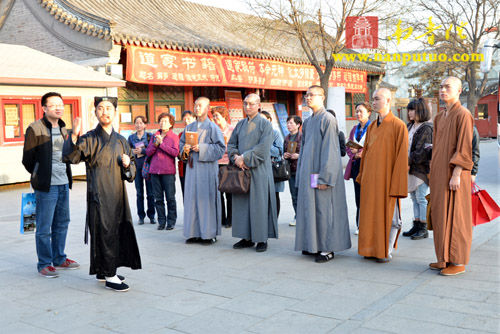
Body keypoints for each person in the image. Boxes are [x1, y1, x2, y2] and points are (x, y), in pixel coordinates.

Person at [63, 97, 141, 292]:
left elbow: (131, 172)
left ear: (114, 112)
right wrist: (73, 136)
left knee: (117, 230)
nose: (104, 111)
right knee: (104, 232)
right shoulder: (89, 138)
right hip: (99, 194)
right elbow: (71, 157)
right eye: (100, 108)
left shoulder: (122, 140)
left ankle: (104, 269)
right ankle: (110, 275)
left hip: (118, 195)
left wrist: (127, 164)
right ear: (95, 113)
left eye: (108, 108)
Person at [22, 92, 80, 278]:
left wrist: (76, 136)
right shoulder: (35, 128)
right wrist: (40, 174)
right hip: (46, 186)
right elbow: (27, 160)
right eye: (54, 104)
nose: (59, 107)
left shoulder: (65, 130)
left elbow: (71, 156)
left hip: (63, 183)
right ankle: (44, 263)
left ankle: (59, 258)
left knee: (62, 222)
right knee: (44, 226)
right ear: (44, 108)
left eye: (61, 104)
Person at [295, 85, 351, 263]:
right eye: (307, 95)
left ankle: (327, 248)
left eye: (312, 95)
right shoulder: (308, 121)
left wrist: (325, 177)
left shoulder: (327, 119)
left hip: (321, 173)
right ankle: (312, 244)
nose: (308, 98)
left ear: (322, 97)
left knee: (324, 210)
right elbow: (303, 149)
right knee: (310, 208)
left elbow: (331, 151)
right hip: (308, 173)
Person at [356, 88, 408, 263]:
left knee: (389, 216)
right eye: (373, 99)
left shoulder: (399, 125)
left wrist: (397, 184)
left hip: (387, 179)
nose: (374, 102)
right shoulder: (371, 126)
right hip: (371, 179)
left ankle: (385, 249)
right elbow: (366, 154)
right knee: (370, 215)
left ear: (388, 101)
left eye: (377, 99)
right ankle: (369, 248)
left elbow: (402, 158)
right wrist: (362, 175)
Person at [429, 77, 474, 276]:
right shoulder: (439, 117)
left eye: (448, 87)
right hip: (438, 174)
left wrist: (457, 173)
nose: (443, 90)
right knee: (440, 215)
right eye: (441, 87)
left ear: (459, 91)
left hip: (454, 175)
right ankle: (443, 258)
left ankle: (458, 261)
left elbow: (465, 147)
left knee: (456, 216)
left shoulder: (463, 114)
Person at [227, 93, 278, 252]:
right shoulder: (240, 124)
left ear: (258, 105)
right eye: (245, 103)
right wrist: (235, 157)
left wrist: (245, 158)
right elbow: (231, 144)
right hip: (242, 170)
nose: (247, 107)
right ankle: (246, 237)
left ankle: (262, 238)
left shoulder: (265, 125)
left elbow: (263, 149)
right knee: (242, 204)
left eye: (251, 104)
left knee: (259, 205)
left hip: (259, 170)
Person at [180, 97, 225, 244]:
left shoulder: (213, 128)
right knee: (191, 200)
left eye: (200, 105)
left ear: (207, 108)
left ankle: (208, 234)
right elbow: (181, 148)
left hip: (207, 169)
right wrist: (185, 150)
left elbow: (220, 149)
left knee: (206, 201)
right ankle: (193, 233)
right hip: (192, 170)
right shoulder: (189, 127)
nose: (197, 108)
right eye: (195, 105)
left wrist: (202, 148)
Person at [402, 99, 433, 240]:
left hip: (421, 168)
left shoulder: (427, 127)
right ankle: (416, 223)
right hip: (409, 167)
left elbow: (422, 151)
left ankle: (423, 227)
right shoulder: (410, 126)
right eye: (409, 110)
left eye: (412, 110)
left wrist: (408, 161)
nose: (409, 113)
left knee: (421, 197)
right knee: (414, 197)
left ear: (421, 111)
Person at [146, 112, 179, 231]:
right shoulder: (155, 135)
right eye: (160, 121)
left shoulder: (174, 137)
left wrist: (162, 144)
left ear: (171, 124)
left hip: (168, 172)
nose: (162, 123)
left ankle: (171, 221)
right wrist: (155, 144)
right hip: (154, 171)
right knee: (158, 198)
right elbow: (148, 152)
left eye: (165, 121)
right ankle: (161, 221)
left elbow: (175, 153)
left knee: (170, 198)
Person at [344, 102, 371, 235]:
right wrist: (354, 154)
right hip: (356, 165)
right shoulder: (354, 129)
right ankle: (359, 224)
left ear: (369, 113)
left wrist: (362, 153)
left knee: (368, 197)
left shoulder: (372, 127)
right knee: (358, 197)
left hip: (368, 166)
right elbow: (348, 147)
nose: (358, 114)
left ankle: (367, 224)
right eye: (357, 111)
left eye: (361, 111)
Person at [127, 116, 155, 225]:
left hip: (148, 167)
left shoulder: (150, 136)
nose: (138, 125)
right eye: (136, 123)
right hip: (136, 167)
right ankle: (141, 216)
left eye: (141, 123)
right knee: (139, 193)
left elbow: (152, 150)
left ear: (145, 125)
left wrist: (143, 150)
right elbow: (128, 151)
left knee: (151, 193)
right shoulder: (131, 138)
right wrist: (133, 152)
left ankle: (152, 216)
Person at [212, 106, 235, 228]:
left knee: (229, 193)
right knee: (218, 193)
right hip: (216, 163)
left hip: (228, 164)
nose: (215, 118)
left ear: (224, 116)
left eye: (217, 116)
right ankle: (221, 219)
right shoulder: (213, 130)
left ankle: (231, 219)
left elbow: (235, 146)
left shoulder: (232, 129)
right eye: (214, 116)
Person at [261, 110, 285, 219]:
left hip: (273, 169)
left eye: (264, 119)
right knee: (262, 196)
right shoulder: (255, 134)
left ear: (269, 120)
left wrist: (264, 146)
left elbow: (279, 151)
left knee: (274, 195)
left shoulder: (275, 133)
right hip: (260, 169)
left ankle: (274, 219)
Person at [283, 115, 302, 226]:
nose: (288, 125)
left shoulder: (302, 137)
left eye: (291, 123)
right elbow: (283, 151)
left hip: (301, 169)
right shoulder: (286, 138)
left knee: (302, 195)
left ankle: (303, 216)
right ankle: (297, 215)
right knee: (294, 195)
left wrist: (299, 156)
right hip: (291, 170)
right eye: (288, 123)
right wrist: (285, 155)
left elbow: (308, 152)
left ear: (298, 125)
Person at [178, 110, 196, 199]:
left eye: (189, 119)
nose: (186, 121)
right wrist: (184, 151)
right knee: (186, 194)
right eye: (184, 119)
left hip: (197, 167)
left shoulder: (199, 133)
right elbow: (178, 154)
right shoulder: (181, 135)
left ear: (194, 118)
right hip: (184, 167)